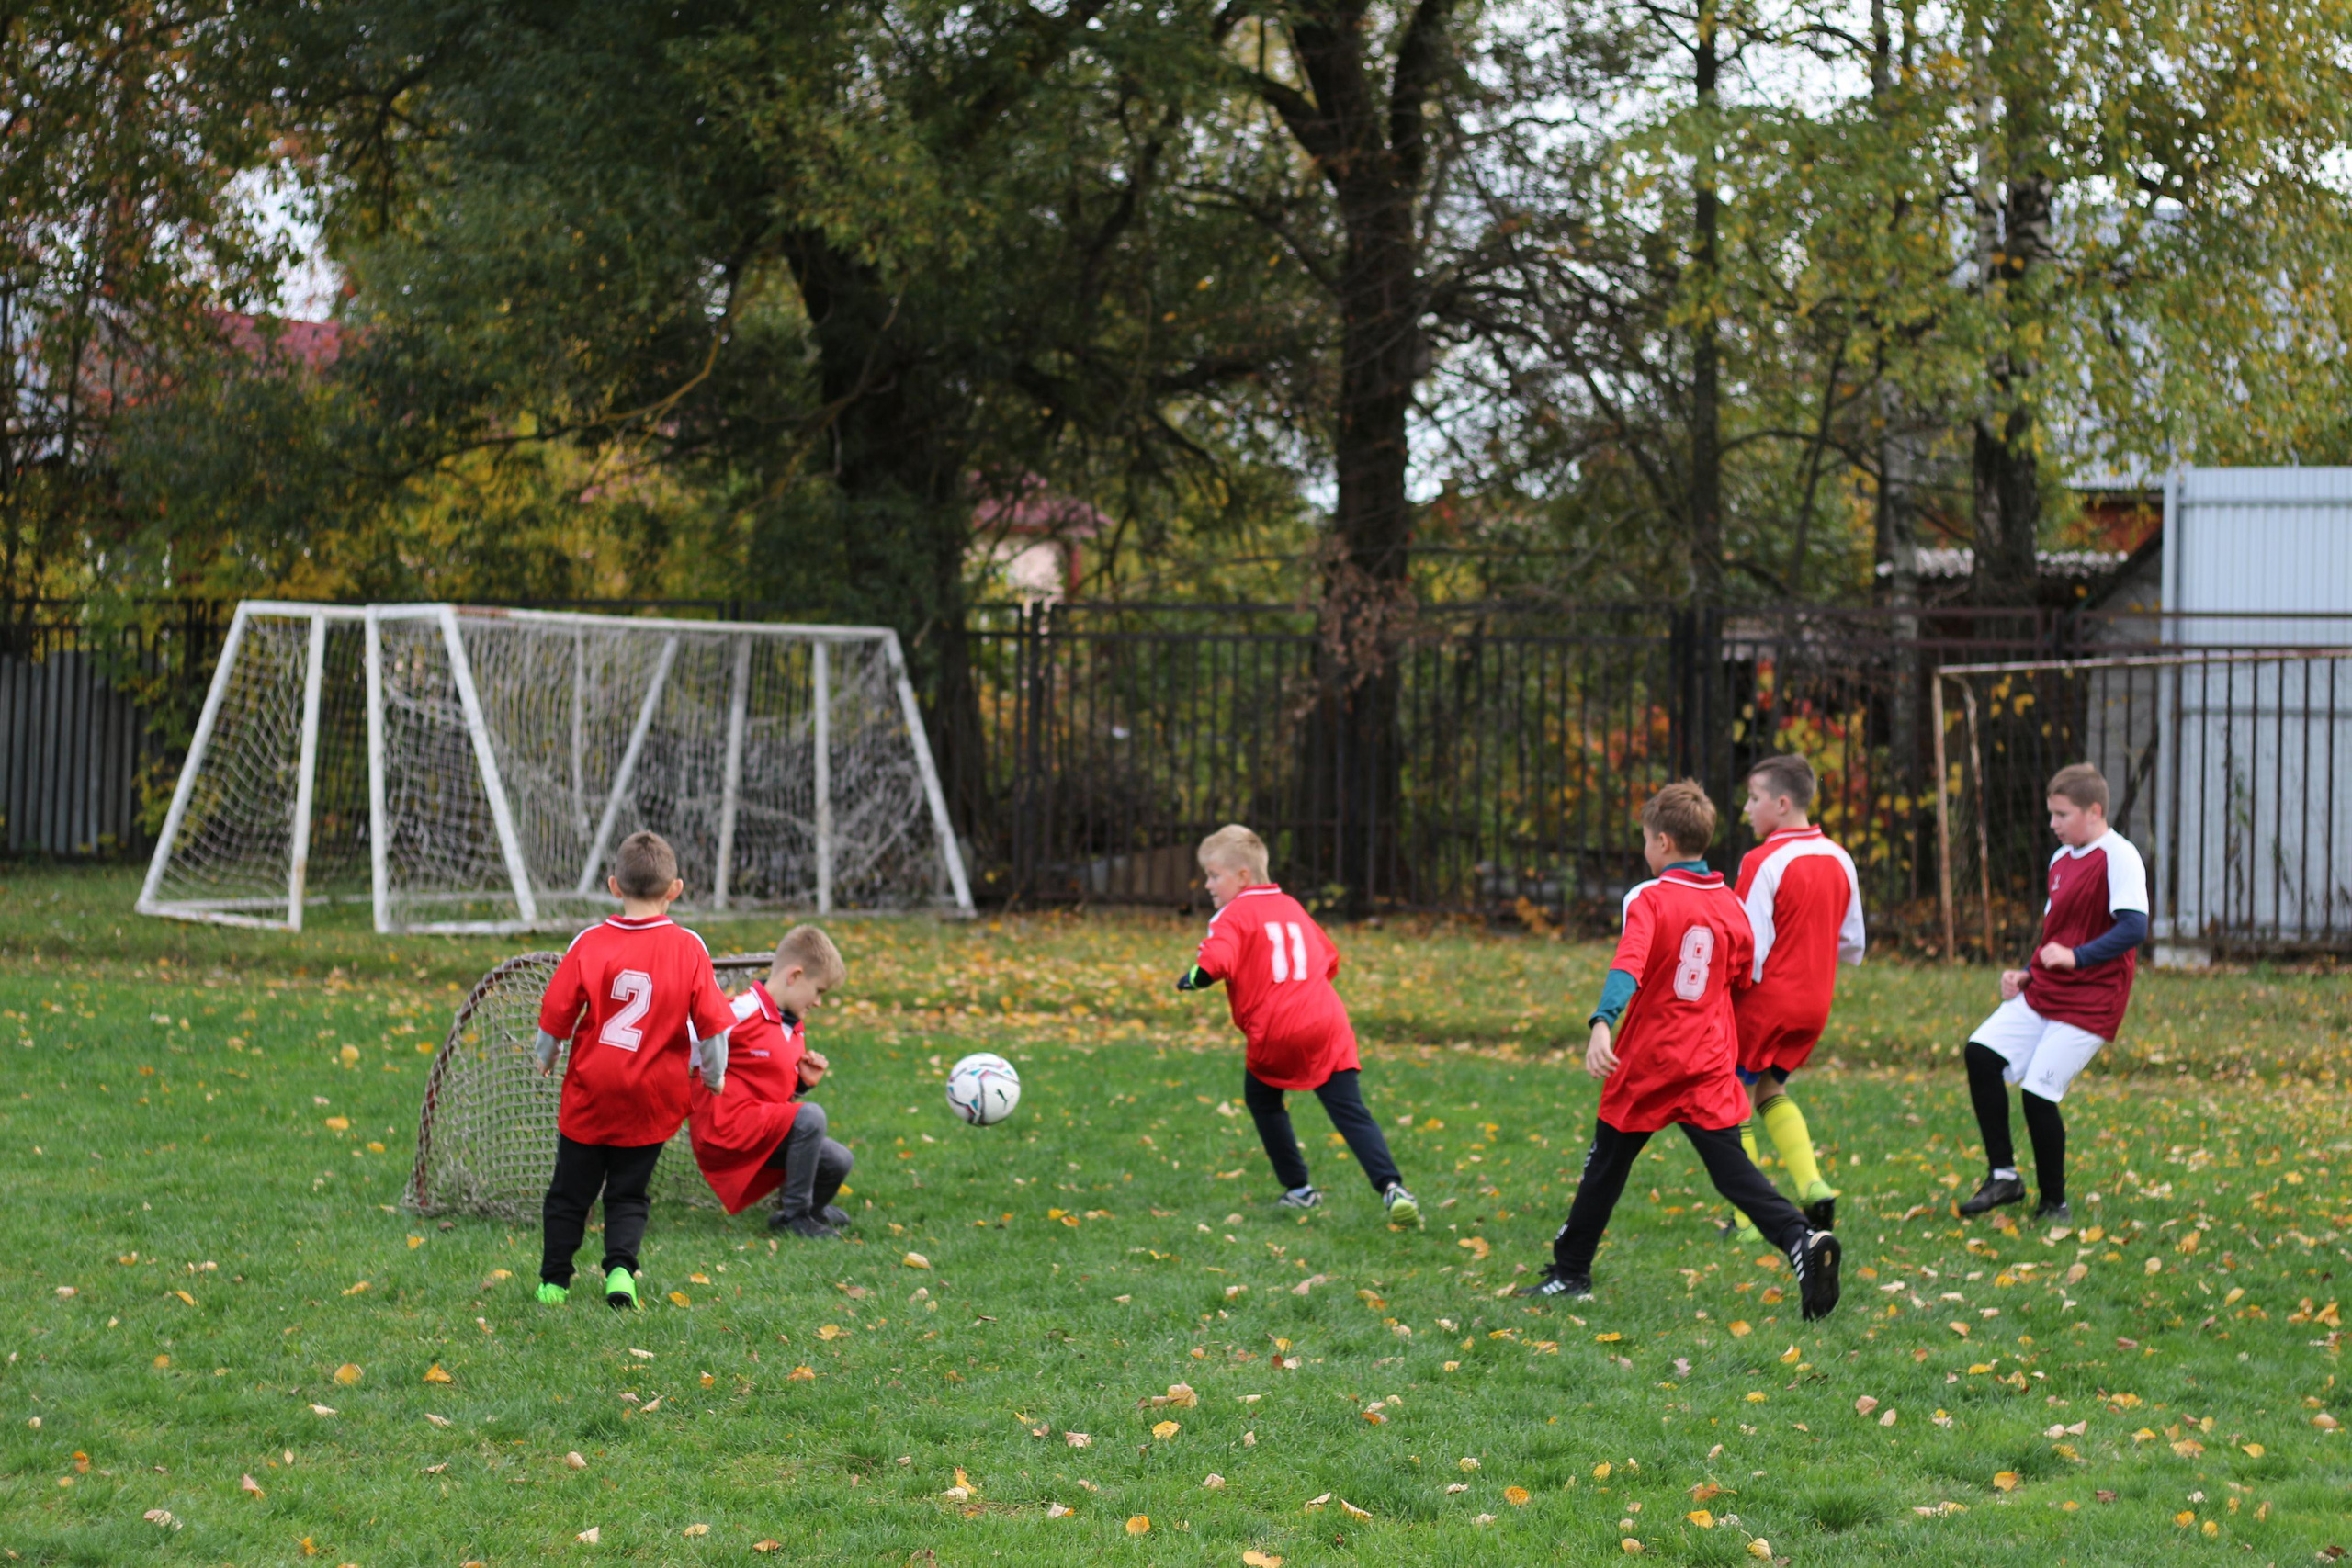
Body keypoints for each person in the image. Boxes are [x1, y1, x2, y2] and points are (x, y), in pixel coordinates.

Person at [1521, 781, 1841, 1318]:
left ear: (1663, 842)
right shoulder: (1731, 904)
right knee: (1733, 1171)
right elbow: (1742, 974)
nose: (1645, 849)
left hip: (1649, 1061)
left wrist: (1602, 1022)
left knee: (1606, 1165)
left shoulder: (1648, 898)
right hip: (1709, 1061)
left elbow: (1628, 964)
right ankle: (1799, 1239)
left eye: (1647, 840)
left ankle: (1571, 1272)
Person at [1175, 824, 1421, 1226]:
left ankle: (1299, 1189)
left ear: (1243, 876)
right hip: (1327, 1021)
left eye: (1214, 875)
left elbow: (1214, 961)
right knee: (1350, 1110)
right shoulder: (1291, 906)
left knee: (1264, 1101)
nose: (1207, 884)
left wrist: (1192, 979)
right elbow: (1329, 957)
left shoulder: (1231, 914)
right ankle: (1393, 1187)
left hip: (1275, 1029)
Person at [532, 830, 735, 1309]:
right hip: (652, 1095)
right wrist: (714, 1075)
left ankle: (554, 1283)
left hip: (591, 1090)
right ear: (675, 890)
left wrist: (547, 1055)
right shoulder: (689, 946)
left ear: (613, 886)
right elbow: (713, 1026)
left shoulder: (589, 942)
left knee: (569, 1193)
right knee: (628, 1193)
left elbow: (557, 1009)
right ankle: (621, 1273)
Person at [1958, 762, 2148, 1224]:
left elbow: (2134, 928)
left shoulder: (2120, 856)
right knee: (1980, 1054)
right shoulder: (2060, 860)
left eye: (2062, 814)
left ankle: (2053, 1204)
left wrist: (2078, 958)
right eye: (2051, 814)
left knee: (2039, 1092)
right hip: (2046, 990)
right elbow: (2056, 933)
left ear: (2094, 811)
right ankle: (2004, 1176)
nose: (2052, 824)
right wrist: (2026, 973)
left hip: (2094, 1000)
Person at [1721, 754, 1865, 1243]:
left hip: (1764, 1003)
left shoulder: (1761, 861)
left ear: (1781, 804)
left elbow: (1749, 945)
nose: (1746, 808)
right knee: (1770, 1090)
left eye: (1754, 798)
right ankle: (1813, 1185)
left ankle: (1745, 1220)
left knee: (1731, 1100)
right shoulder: (1841, 858)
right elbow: (1853, 942)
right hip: (1814, 1004)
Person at [686, 925, 857, 1239]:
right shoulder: (740, 1011)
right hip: (724, 1132)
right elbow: (686, 1043)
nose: (819, 1002)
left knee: (838, 1160)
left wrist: (801, 1085)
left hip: (757, 1130)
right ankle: (796, 1215)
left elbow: (768, 1092)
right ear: (795, 976)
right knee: (811, 1116)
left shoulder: (792, 1026)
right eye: (819, 991)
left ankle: (812, 1211)